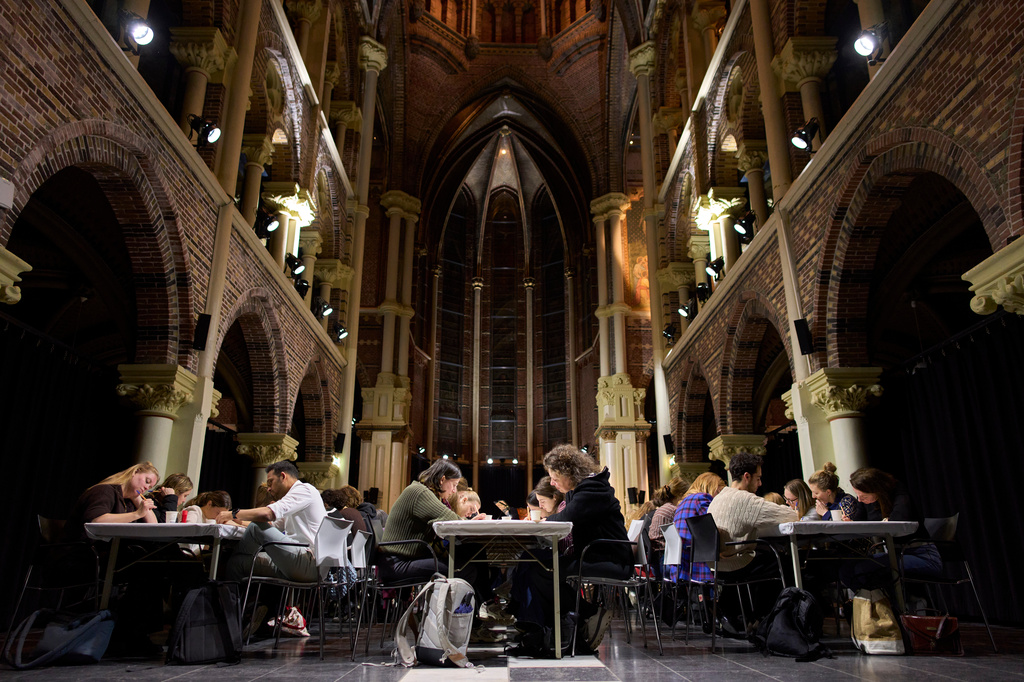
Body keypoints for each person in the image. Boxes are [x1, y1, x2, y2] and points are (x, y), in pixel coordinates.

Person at [513, 444, 632, 650]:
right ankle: (541, 630)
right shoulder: (582, 490)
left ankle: (587, 614)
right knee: (532, 561)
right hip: (594, 556)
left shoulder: (592, 489)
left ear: (568, 473)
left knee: (540, 569)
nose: (552, 482)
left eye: (554, 477)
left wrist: (542, 521)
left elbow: (565, 519)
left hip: (610, 560)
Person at [378, 459, 494, 640]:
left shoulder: (423, 492)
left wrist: (467, 523)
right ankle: (443, 625)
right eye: (454, 485)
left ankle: (470, 618)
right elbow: (448, 518)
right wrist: (469, 523)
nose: (455, 490)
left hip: (404, 559)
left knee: (471, 556)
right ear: (442, 480)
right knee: (465, 569)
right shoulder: (418, 492)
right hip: (397, 564)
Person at [706, 452, 797, 630]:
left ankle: (751, 615)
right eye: (758, 478)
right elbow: (790, 515)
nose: (760, 483)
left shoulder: (718, 498)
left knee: (768, 556)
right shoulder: (746, 500)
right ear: (747, 476)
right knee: (784, 561)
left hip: (717, 565)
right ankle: (775, 620)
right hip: (736, 564)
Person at [220, 460, 326, 582]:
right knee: (237, 563)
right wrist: (237, 521)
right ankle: (234, 599)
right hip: (304, 563)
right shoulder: (295, 499)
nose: (268, 489)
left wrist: (233, 514)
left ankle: (228, 554)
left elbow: (267, 515)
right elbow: (272, 527)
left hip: (308, 562)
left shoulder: (304, 490)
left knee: (256, 526)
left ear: (283, 476)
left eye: (271, 482)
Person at [839, 467, 941, 591]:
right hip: (895, 553)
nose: (859, 500)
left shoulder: (897, 490)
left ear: (876, 489)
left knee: (863, 570)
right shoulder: (865, 501)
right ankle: (879, 604)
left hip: (921, 554)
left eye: (863, 496)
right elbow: (858, 522)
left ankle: (890, 605)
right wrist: (850, 523)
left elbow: (898, 520)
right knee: (846, 570)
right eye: (858, 495)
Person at [63, 462, 161, 541]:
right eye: (147, 481)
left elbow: (154, 527)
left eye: (149, 487)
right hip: (81, 551)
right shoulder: (104, 491)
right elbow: (97, 521)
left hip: (106, 553)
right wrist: (136, 514)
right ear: (135, 472)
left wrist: (136, 497)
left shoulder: (129, 500)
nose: (146, 488)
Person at [669, 472, 726, 582]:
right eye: (719, 491)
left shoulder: (683, 502)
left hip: (681, 567)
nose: (720, 496)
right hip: (697, 568)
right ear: (710, 487)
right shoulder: (702, 498)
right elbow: (713, 530)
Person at [649, 477, 687, 552]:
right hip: (665, 553)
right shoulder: (673, 510)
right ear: (681, 495)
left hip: (655, 553)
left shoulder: (662, 508)